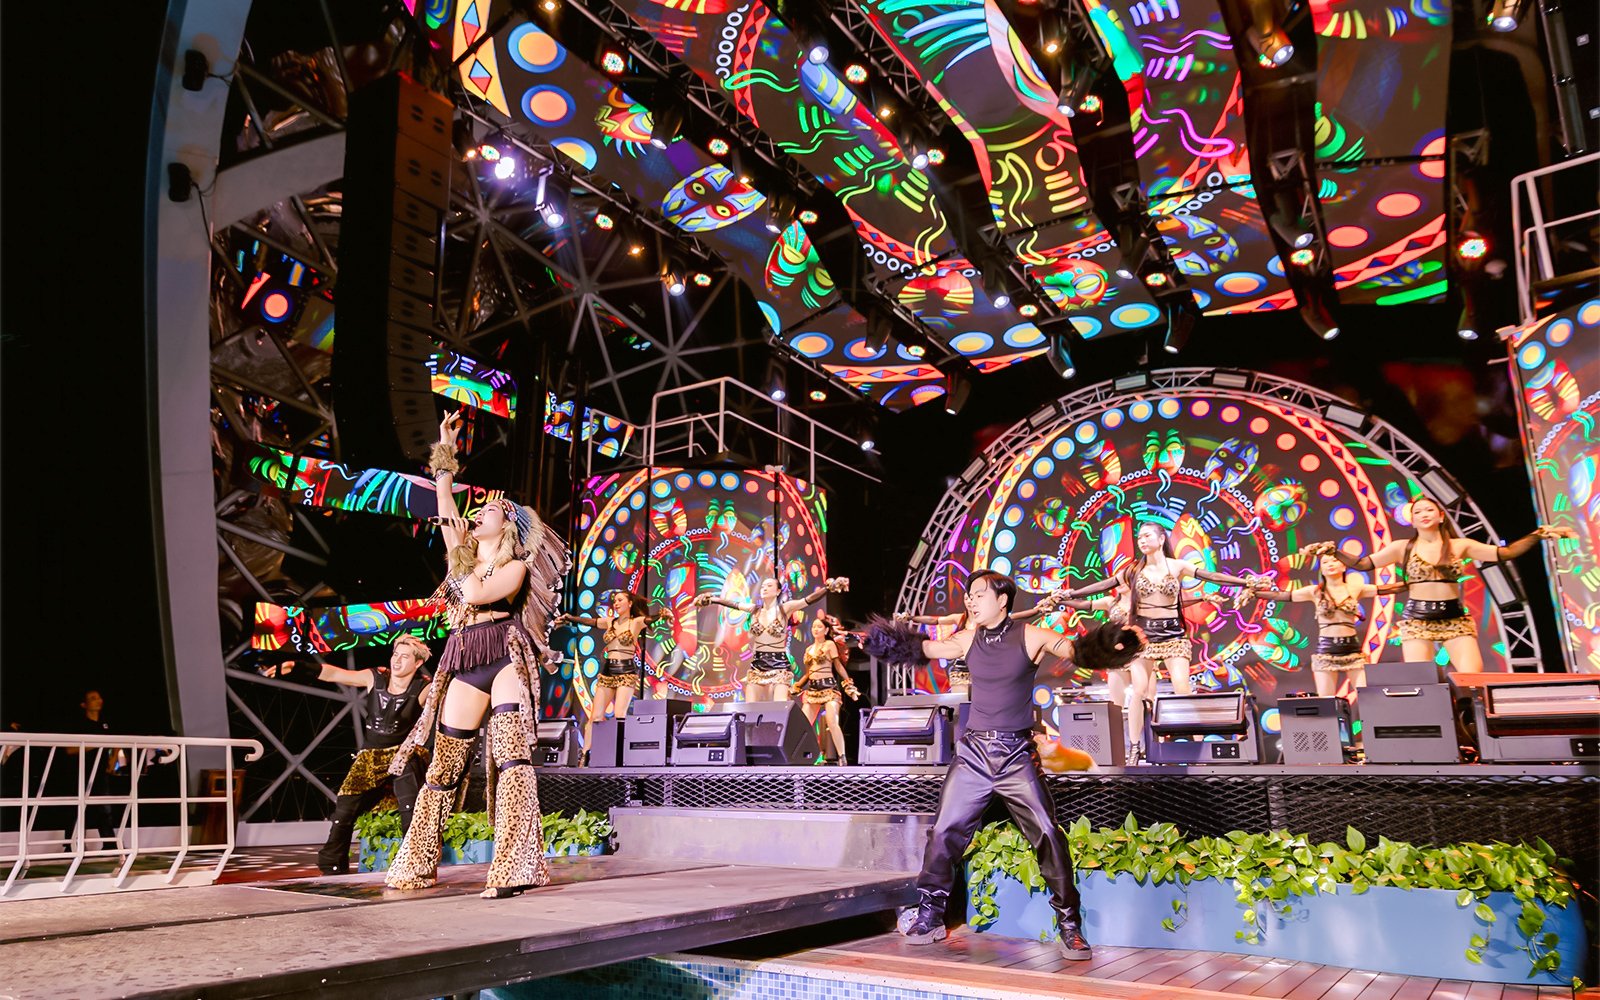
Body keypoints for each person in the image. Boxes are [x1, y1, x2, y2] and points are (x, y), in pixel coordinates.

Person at [876, 569, 1143, 959]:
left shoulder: (1031, 636)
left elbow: (1075, 651)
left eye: (979, 594)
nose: (970, 601)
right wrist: (887, 641)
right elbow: (928, 651)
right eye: (969, 595)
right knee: (944, 831)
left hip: (1016, 754)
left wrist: (1114, 643)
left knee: (1049, 834)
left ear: (1002, 600)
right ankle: (931, 913)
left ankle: (1069, 922)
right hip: (973, 755)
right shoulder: (966, 639)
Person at [384, 411, 569, 898]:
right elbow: (444, 503)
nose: (475, 514)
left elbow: (474, 594)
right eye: (476, 512)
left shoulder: (516, 568)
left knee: (511, 760)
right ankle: (417, 864)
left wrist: (461, 558)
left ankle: (515, 867)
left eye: (486, 512)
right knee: (444, 767)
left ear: (506, 525)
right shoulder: (466, 553)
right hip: (464, 657)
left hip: (503, 655)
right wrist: (445, 454)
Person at [1059, 522, 1269, 759]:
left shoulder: (1177, 565)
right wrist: (1071, 595)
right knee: (1138, 691)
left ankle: (1198, 745)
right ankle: (1136, 747)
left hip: (1173, 636)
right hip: (1143, 638)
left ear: (1161, 539)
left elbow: (1211, 575)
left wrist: (1246, 582)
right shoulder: (1133, 570)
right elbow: (1104, 585)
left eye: (1147, 536)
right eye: (1139, 537)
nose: (1142, 540)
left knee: (1182, 688)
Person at [1302, 495, 1575, 672]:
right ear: (1412, 519)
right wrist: (1332, 550)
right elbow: (1362, 564)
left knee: (1472, 679)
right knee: (1421, 684)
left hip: (1454, 619)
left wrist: (1540, 535)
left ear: (1441, 515)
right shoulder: (1401, 547)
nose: (1423, 514)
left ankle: (1473, 734)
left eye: (1429, 509)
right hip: (1418, 622)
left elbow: (1505, 553)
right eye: (1417, 511)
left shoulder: (1460, 545)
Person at [267, 636, 435, 874]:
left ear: (417, 663)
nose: (397, 661)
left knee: (410, 808)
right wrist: (297, 667)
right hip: (370, 758)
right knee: (344, 810)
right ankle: (332, 865)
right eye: (395, 654)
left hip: (402, 756)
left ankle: (415, 865)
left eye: (404, 656)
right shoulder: (374, 676)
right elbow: (334, 674)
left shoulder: (424, 687)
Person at [1244, 553, 1405, 698]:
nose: (1330, 564)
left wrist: (1419, 582)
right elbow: (1282, 595)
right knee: (1326, 701)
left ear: (1343, 565)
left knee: (1367, 697)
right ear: (1321, 568)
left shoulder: (1355, 588)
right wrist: (1253, 593)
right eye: (1325, 562)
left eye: (1334, 560)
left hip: (1352, 650)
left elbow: (1386, 589)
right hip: (1326, 650)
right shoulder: (1314, 591)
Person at [696, 576, 849, 701]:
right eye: (763, 586)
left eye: (769, 586)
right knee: (751, 711)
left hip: (779, 666)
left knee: (778, 709)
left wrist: (828, 588)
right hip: (758, 665)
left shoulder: (785, 608)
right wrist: (712, 599)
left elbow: (808, 599)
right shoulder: (754, 610)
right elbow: (733, 604)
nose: (764, 588)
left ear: (777, 591)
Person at [555, 592, 664, 752]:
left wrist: (662, 615)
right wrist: (570, 618)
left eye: (620, 600)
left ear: (630, 603)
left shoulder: (636, 622)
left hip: (626, 671)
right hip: (608, 671)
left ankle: (617, 754)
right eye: (615, 601)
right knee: (595, 717)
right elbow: (589, 621)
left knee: (619, 714)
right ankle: (585, 754)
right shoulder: (610, 622)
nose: (616, 603)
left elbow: (650, 619)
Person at [897, 599, 1062, 698]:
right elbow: (935, 621)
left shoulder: (987, 619)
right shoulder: (959, 618)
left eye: (973, 598)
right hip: (960, 668)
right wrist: (911, 617)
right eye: (967, 598)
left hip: (980, 664)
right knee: (960, 702)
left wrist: (1037, 611)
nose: (970, 601)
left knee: (981, 701)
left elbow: (1015, 616)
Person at [793, 616, 860, 764]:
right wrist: (797, 685)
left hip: (829, 689)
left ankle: (842, 756)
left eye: (819, 627)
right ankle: (811, 756)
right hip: (812, 691)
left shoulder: (829, 644)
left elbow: (838, 665)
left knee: (832, 721)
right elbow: (808, 673)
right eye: (813, 627)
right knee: (804, 725)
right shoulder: (808, 649)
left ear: (826, 630)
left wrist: (848, 682)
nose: (815, 629)